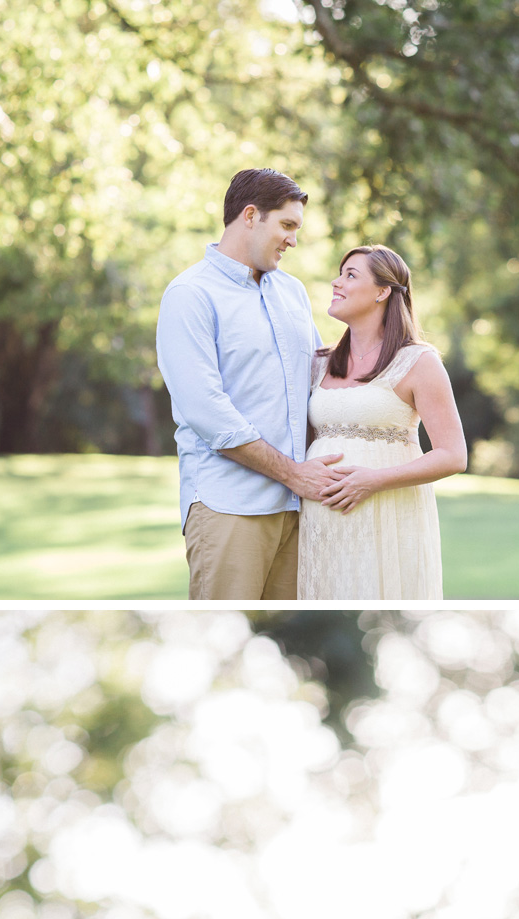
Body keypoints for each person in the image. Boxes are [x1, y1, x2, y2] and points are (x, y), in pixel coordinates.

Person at [155, 166, 343, 601]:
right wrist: (295, 475)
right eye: (288, 225)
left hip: (300, 513)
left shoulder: (292, 292)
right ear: (252, 215)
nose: (294, 240)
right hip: (229, 508)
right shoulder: (190, 296)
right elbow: (211, 417)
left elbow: (319, 380)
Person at [297, 245, 467, 599]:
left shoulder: (419, 362)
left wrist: (372, 481)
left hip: (389, 515)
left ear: (382, 291)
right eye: (339, 273)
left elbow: (453, 455)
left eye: (350, 275)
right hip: (321, 521)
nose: (336, 282)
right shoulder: (319, 362)